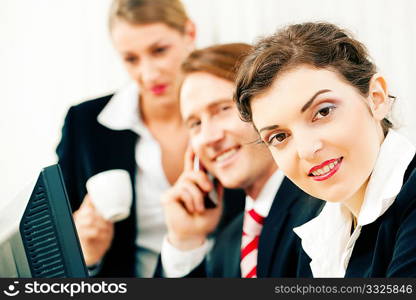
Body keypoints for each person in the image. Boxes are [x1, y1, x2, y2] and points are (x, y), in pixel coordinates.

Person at [234, 22, 416, 277]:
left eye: (323, 112)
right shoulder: (320, 236)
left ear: (376, 97)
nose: (307, 149)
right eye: (279, 136)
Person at [56, 0, 197, 277]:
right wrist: (84, 253)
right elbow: (57, 243)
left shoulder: (233, 109)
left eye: (159, 50)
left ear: (189, 34)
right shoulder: (85, 125)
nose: (148, 73)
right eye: (131, 59)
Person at [160, 43, 323, 278]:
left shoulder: (321, 206)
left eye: (223, 109)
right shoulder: (228, 242)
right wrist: (184, 242)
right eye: (195, 124)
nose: (209, 137)